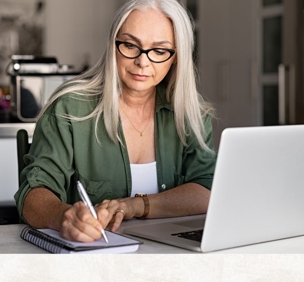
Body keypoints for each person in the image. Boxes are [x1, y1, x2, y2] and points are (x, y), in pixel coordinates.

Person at [14, 0, 216, 243]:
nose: (143, 62)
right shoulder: (68, 109)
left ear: (176, 57)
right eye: (130, 45)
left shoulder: (191, 114)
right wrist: (63, 216)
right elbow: (32, 195)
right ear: (113, 44)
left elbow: (207, 190)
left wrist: (135, 206)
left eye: (160, 51)